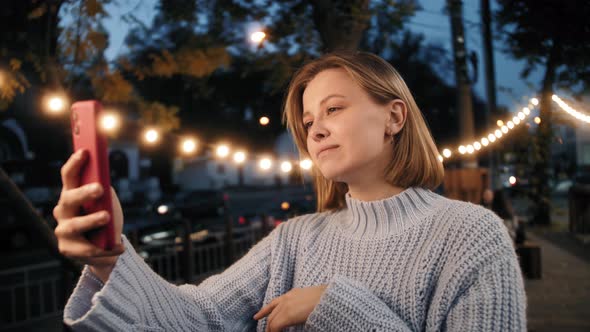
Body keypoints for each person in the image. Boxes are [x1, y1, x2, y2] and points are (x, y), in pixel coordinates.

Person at [54, 52, 526, 331]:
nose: (315, 130)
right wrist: (109, 257)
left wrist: (333, 308)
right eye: (307, 121)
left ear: (394, 117)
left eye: (334, 109)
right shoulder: (295, 239)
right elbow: (197, 319)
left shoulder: (469, 234)